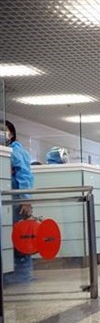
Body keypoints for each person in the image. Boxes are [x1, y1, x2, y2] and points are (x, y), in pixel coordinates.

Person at [3, 121, 35, 285]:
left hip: (17, 203)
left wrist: (25, 200)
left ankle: (23, 275)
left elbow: (24, 175)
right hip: (8, 203)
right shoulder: (5, 152)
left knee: (20, 238)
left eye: (4, 131)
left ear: (12, 134)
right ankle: (11, 273)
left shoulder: (16, 151)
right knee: (10, 238)